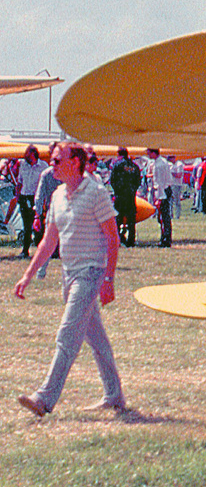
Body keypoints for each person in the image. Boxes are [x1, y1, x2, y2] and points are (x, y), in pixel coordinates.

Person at [14, 143, 125, 416]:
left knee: (68, 333)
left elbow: (113, 238)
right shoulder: (58, 195)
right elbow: (49, 240)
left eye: (56, 160)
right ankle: (115, 396)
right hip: (69, 274)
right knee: (97, 340)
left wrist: (108, 279)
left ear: (75, 162)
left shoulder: (96, 193)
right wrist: (28, 275)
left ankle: (44, 398)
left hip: (91, 274)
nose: (51, 164)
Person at [15, 144, 44, 258]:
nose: (26, 157)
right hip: (24, 196)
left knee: (37, 226)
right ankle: (25, 250)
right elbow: (20, 181)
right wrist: (18, 196)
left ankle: (40, 251)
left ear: (33, 154)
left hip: (36, 198)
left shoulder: (43, 166)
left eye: (28, 154)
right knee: (26, 226)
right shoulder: (23, 165)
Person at [109, 147, 141, 246]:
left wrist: (117, 191)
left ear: (119, 154)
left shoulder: (117, 165)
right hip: (130, 195)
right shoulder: (134, 166)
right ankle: (131, 240)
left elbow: (112, 180)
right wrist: (133, 190)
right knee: (131, 219)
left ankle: (118, 239)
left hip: (120, 195)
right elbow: (138, 181)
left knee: (118, 218)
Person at [145, 148, 172, 247]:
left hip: (162, 191)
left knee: (163, 217)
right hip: (164, 190)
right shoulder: (162, 162)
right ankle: (165, 237)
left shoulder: (159, 165)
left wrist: (159, 198)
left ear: (153, 153)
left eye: (149, 153)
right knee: (165, 217)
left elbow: (159, 182)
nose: (148, 155)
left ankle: (165, 239)